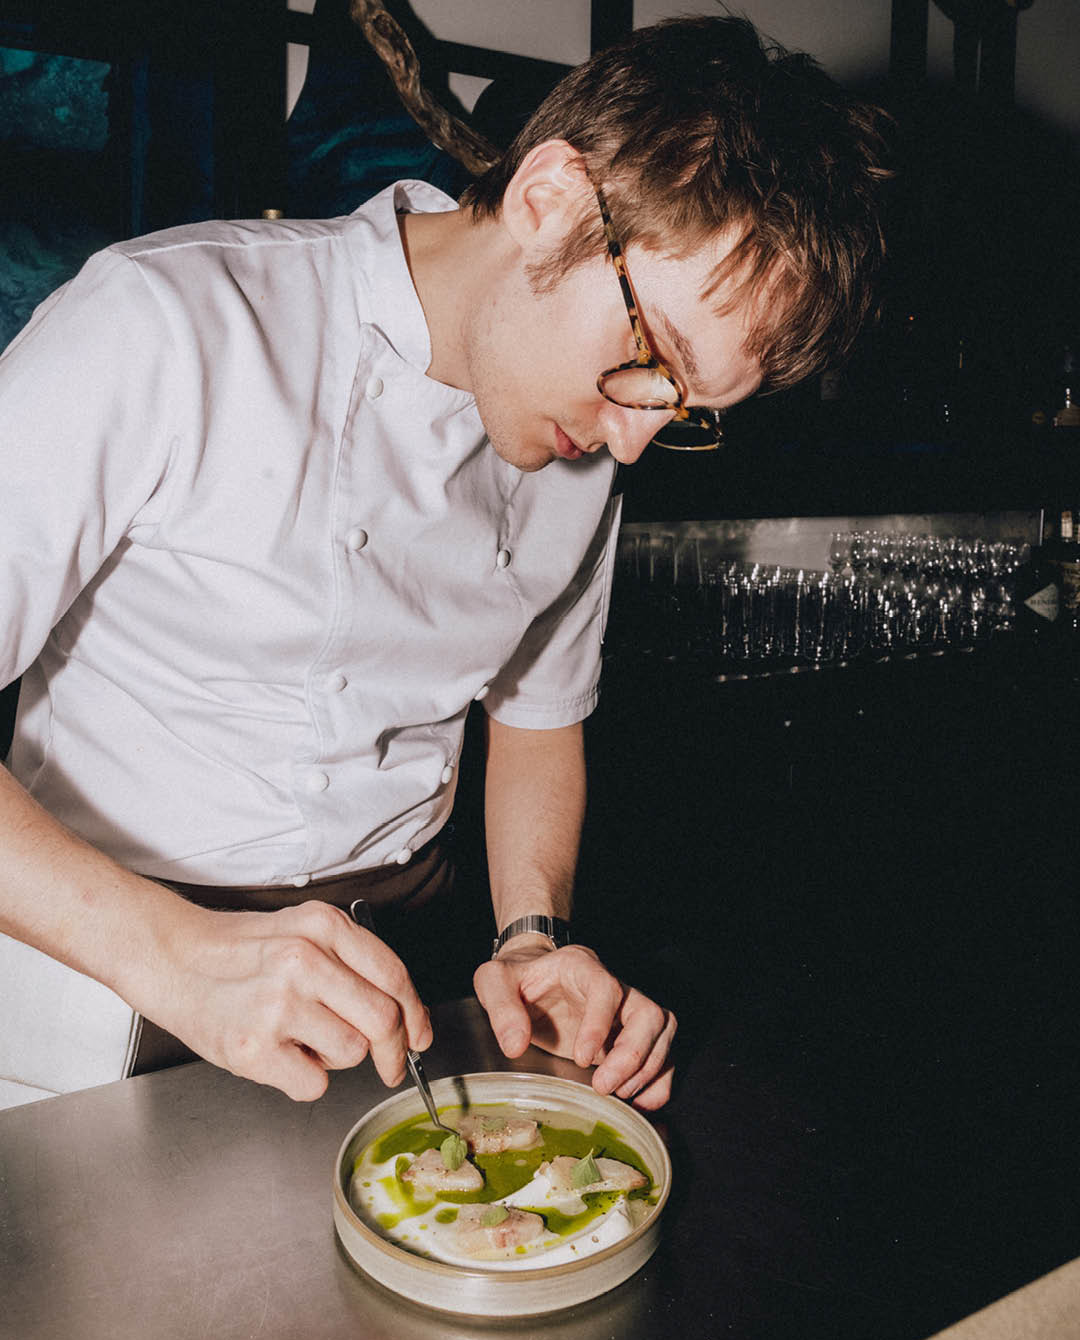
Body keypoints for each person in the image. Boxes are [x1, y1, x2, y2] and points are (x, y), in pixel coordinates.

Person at [0, 16, 890, 1110]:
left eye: (686, 410)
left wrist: (528, 939)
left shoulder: (587, 435)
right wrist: (173, 952)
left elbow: (538, 715)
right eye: (650, 357)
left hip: (404, 996)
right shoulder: (166, 323)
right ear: (551, 198)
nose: (633, 440)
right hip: (100, 989)